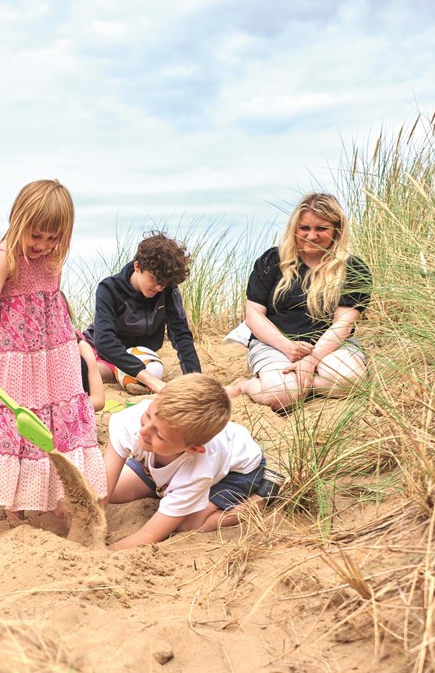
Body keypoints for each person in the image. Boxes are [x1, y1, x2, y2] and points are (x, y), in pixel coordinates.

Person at [0, 179, 105, 522]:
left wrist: (72, 339)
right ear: (19, 221)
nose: (42, 245)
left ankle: (60, 493)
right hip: (14, 354)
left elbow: (51, 300)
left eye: (52, 238)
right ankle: (15, 506)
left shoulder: (54, 257)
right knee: (19, 417)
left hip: (55, 350)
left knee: (60, 417)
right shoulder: (4, 257)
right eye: (36, 235)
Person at [226, 192, 371, 411]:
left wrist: (311, 361)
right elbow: (253, 315)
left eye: (321, 229)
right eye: (305, 228)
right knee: (281, 396)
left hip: (332, 345)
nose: (311, 236)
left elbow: (343, 324)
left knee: (350, 381)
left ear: (336, 231)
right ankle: (245, 386)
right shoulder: (272, 261)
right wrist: (288, 346)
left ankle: (299, 386)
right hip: (274, 343)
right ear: (295, 228)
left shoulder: (353, 268)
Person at [104, 374, 278, 550]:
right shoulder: (133, 421)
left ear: (193, 449)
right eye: (148, 415)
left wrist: (103, 553)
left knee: (188, 524)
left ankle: (261, 496)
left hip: (236, 472)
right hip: (162, 460)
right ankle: (167, 488)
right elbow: (100, 490)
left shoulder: (198, 471)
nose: (143, 431)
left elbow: (149, 535)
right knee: (114, 491)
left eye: (160, 435)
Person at [80, 232, 201, 397]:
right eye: (154, 279)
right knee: (82, 373)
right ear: (137, 266)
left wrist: (196, 380)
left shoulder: (167, 290)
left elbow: (181, 335)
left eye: (164, 283)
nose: (159, 287)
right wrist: (150, 380)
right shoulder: (109, 288)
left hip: (138, 355)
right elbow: (104, 341)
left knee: (144, 370)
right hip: (101, 351)